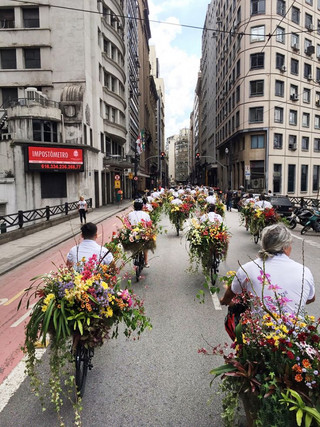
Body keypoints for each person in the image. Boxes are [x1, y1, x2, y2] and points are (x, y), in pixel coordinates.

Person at [220, 223, 315, 314]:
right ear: (285, 246)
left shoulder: (247, 268)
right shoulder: (304, 271)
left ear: (264, 244)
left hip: (257, 328)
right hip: (295, 329)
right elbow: (310, 298)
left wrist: (225, 301)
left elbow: (231, 292)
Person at [128, 199, 152, 268]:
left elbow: (128, 224)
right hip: (142, 233)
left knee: (133, 243)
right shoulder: (146, 214)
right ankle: (146, 262)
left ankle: (134, 254)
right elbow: (149, 224)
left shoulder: (130, 214)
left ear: (134, 207)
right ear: (142, 206)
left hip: (133, 234)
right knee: (145, 247)